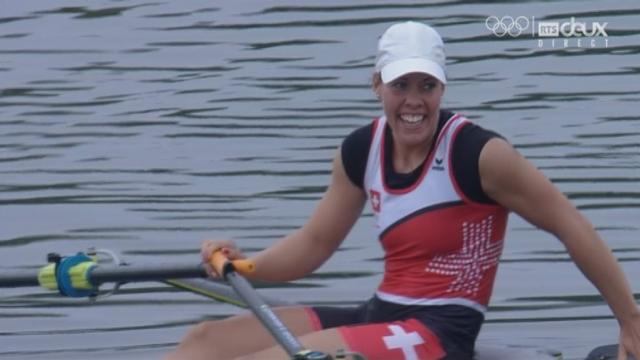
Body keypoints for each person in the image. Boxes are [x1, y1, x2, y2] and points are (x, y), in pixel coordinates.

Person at [166, 21, 640, 360]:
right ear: (377, 85)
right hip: (381, 313)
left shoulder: (480, 155)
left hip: (440, 333)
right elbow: (313, 245)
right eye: (400, 85)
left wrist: (630, 321)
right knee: (202, 344)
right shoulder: (360, 149)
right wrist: (240, 264)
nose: (414, 100)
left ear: (442, 88)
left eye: (427, 85)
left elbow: (571, 226)